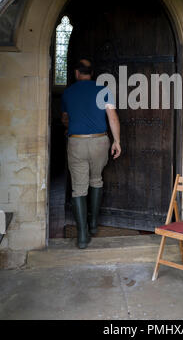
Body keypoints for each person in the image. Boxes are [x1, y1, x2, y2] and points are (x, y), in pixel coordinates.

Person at [61, 59, 121, 249]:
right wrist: (117, 141)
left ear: (77, 73)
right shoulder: (103, 91)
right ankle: (93, 225)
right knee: (96, 180)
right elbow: (112, 117)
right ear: (91, 73)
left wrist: (70, 126)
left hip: (76, 142)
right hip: (100, 141)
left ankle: (82, 237)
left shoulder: (68, 93)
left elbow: (65, 119)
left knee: (79, 189)